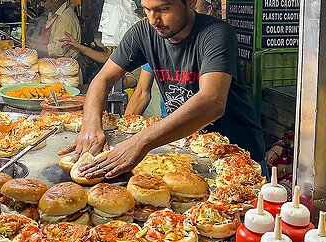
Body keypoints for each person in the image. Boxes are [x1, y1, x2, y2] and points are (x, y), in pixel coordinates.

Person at [59, 0, 265, 180]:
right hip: (186, 150)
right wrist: (90, 126)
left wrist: (141, 140)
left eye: (163, 9)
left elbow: (212, 101)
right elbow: (102, 80)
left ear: (190, 1)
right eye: (146, 10)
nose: (153, 20)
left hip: (235, 154)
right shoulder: (143, 32)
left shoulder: (216, 33)